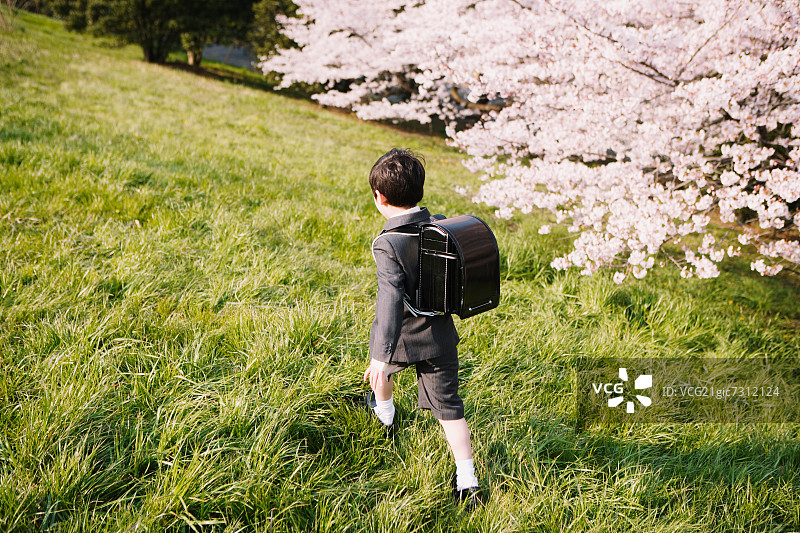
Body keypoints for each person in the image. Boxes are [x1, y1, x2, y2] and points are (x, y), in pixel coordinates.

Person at [363, 148, 482, 507]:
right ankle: (467, 479)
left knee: (379, 373)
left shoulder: (387, 243)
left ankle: (385, 416)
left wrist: (382, 355)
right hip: (439, 337)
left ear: (380, 198)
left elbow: (389, 300)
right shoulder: (442, 226)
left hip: (398, 335)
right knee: (450, 409)